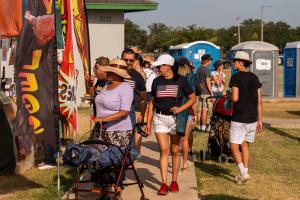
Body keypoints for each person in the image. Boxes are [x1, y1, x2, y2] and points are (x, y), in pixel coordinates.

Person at [146, 54, 196, 195]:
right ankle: (163, 183)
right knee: (164, 150)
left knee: (175, 151)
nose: (157, 68)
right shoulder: (156, 81)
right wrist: (148, 122)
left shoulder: (181, 80)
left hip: (176, 120)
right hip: (159, 118)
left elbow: (193, 98)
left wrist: (181, 109)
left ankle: (174, 181)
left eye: (160, 66)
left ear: (168, 66)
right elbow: (152, 103)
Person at [229, 51, 262, 184]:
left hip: (239, 117)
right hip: (252, 117)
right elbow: (259, 100)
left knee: (233, 146)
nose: (233, 63)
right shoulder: (254, 77)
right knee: (245, 146)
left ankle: (243, 173)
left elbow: (235, 98)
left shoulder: (235, 77)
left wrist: (228, 96)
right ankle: (244, 174)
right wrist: (260, 120)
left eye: (235, 61)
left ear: (241, 62)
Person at [121, 48, 147, 155]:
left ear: (134, 61)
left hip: (129, 110)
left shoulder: (137, 76)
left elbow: (143, 98)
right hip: (112, 110)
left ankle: (126, 165)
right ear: (121, 59)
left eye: (131, 60)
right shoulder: (113, 72)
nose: (128, 62)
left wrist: (142, 113)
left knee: (129, 140)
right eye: (125, 59)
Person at [176, 57, 197, 171]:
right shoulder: (192, 78)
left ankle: (176, 162)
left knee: (176, 140)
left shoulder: (175, 78)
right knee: (185, 139)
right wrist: (195, 113)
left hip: (176, 111)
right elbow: (193, 99)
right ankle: (184, 162)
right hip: (187, 111)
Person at [196, 54, 213, 132]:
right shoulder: (206, 69)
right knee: (205, 110)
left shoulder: (198, 68)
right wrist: (211, 92)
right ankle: (203, 127)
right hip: (206, 92)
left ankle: (199, 126)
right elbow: (208, 82)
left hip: (200, 92)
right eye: (210, 60)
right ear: (207, 61)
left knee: (200, 110)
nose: (210, 62)